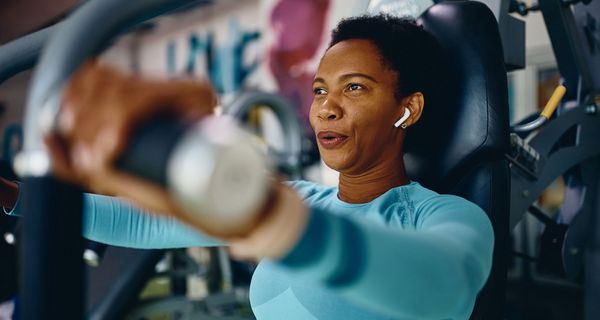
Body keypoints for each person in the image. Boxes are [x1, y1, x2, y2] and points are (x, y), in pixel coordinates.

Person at [2, 14, 493, 319]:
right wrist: (12, 195)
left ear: (407, 109)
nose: (326, 107)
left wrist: (272, 221)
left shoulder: (447, 219)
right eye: (320, 90)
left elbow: (443, 287)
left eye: (355, 87)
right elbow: (137, 220)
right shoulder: (304, 197)